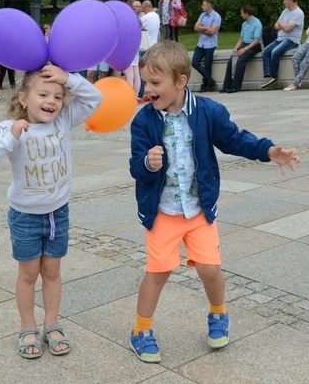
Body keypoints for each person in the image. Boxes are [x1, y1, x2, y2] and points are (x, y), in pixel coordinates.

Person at [128, 41, 300, 363]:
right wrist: (147, 164)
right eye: (145, 82)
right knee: (159, 271)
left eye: (155, 83)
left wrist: (267, 150)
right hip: (162, 212)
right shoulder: (144, 122)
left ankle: (218, 313)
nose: (147, 90)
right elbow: (136, 166)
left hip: (198, 210)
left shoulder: (207, 111)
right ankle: (141, 329)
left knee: (210, 269)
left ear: (180, 81)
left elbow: (234, 139)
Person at [0, 64, 103, 359]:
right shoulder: (10, 129)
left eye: (58, 96)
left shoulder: (64, 120)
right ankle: (27, 325)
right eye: (43, 94)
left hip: (58, 213)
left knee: (52, 270)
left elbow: (94, 98)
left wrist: (67, 78)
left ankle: (52, 323)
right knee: (29, 272)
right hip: (25, 215)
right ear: (23, 98)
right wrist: (11, 137)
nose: (51, 101)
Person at [261, 0, 305, 88]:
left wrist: (281, 24)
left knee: (275, 52)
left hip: (291, 40)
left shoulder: (298, 13)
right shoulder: (285, 11)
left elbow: (287, 29)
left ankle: (274, 76)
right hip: (280, 38)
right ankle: (268, 76)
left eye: (284, 0)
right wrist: (282, 25)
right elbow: (275, 26)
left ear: (290, 0)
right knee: (265, 51)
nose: (283, 2)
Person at [221, 5, 262, 93]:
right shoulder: (244, 24)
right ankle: (226, 85)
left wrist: (245, 49)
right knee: (231, 60)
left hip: (253, 46)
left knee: (240, 61)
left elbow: (256, 40)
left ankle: (235, 86)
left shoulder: (257, 23)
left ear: (247, 13)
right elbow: (241, 38)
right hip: (245, 43)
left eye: (242, 13)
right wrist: (235, 49)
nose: (241, 15)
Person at [191, 0, 222, 92]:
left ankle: (204, 86)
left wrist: (202, 29)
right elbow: (196, 27)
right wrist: (206, 28)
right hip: (201, 43)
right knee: (195, 62)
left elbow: (212, 31)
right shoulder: (202, 15)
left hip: (210, 44)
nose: (202, 6)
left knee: (208, 65)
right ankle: (210, 80)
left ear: (209, 6)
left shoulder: (216, 16)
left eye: (204, 5)